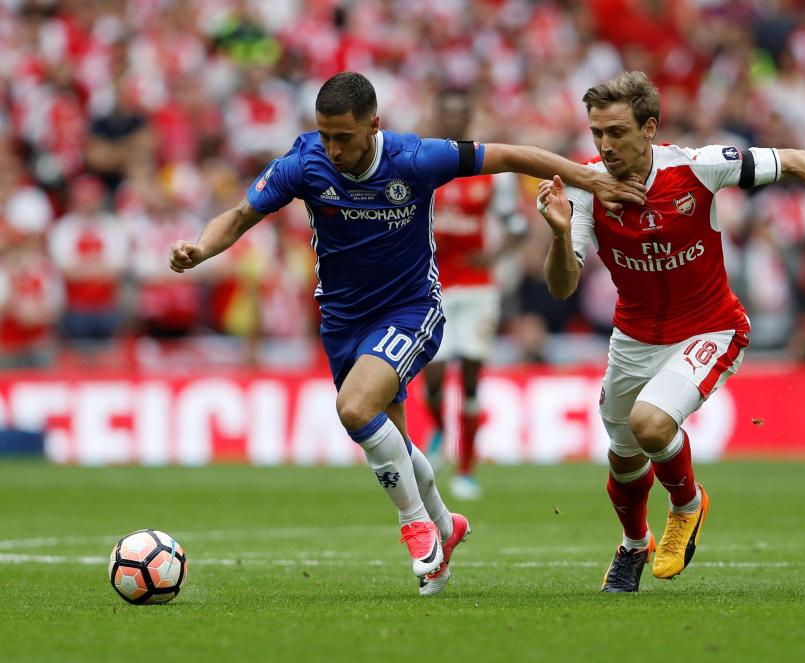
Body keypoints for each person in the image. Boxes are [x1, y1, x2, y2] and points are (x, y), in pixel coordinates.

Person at [169, 72, 645, 596]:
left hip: (410, 308)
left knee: (354, 409)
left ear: (374, 125)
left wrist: (588, 178)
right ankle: (447, 525)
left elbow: (511, 155)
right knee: (391, 437)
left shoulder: (415, 159)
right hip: (342, 322)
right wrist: (199, 248)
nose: (333, 148)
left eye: (344, 136)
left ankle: (416, 525)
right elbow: (239, 216)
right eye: (325, 134)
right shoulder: (303, 164)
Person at [535, 71, 805, 593]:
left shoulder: (698, 168)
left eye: (618, 132)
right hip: (632, 338)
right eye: (597, 133)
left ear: (650, 128)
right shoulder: (583, 188)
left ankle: (687, 505)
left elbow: (798, 161)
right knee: (623, 458)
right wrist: (559, 236)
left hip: (710, 329)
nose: (606, 146)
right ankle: (632, 545)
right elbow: (562, 288)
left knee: (651, 426)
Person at [423, 90, 528, 500]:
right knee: (432, 377)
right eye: (444, 115)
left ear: (466, 121)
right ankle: (438, 430)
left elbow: (517, 226)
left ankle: (466, 468)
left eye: (457, 116)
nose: (451, 122)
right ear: (438, 119)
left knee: (469, 379)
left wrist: (495, 255)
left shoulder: (489, 172)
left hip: (478, 289)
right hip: (434, 286)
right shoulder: (426, 168)